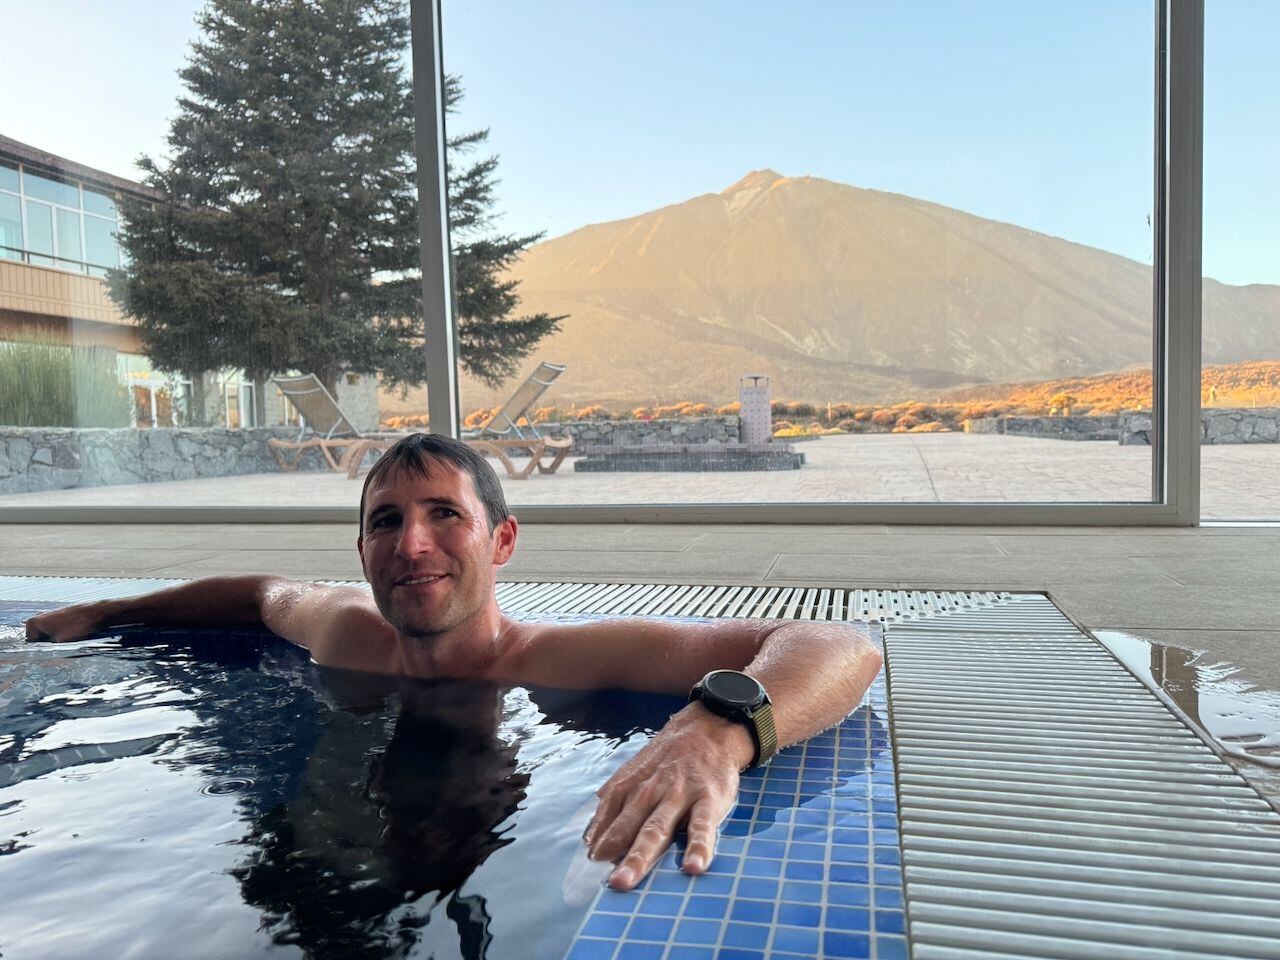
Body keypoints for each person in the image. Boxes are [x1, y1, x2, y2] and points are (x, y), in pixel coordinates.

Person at [25, 433, 882, 892]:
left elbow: (842, 644)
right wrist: (107, 613)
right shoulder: (346, 634)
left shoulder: (564, 658)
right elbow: (257, 596)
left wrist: (718, 729)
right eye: (387, 521)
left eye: (445, 514)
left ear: (502, 541)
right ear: (362, 552)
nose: (412, 544)